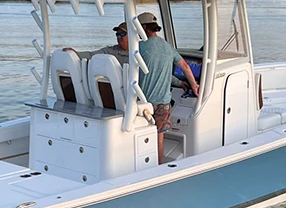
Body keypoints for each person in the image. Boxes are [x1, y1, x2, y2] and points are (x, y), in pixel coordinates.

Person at [137, 12, 200, 164]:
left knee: (141, 138)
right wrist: (194, 85)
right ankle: (157, 168)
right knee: (159, 140)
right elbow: (185, 66)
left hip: (144, 104)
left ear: (144, 27)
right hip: (164, 104)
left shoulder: (139, 47)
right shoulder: (167, 47)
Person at [63, 22, 129, 65]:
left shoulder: (138, 52)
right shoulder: (111, 51)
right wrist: (74, 53)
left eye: (122, 34)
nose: (119, 37)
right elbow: (91, 55)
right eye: (117, 34)